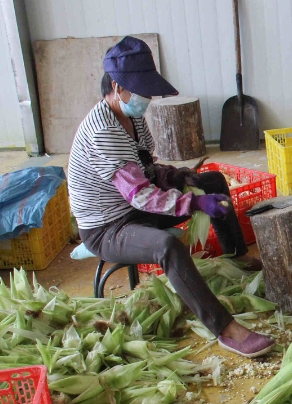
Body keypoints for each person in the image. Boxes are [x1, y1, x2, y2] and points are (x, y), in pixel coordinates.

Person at [68, 36, 274, 358]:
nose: (146, 98)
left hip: (132, 207)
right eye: (141, 90)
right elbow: (139, 194)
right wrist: (192, 203)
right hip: (108, 226)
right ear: (118, 87)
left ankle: (234, 256)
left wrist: (179, 177)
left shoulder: (131, 116)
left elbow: (146, 167)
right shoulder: (102, 132)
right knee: (169, 247)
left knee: (213, 181)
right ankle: (225, 329)